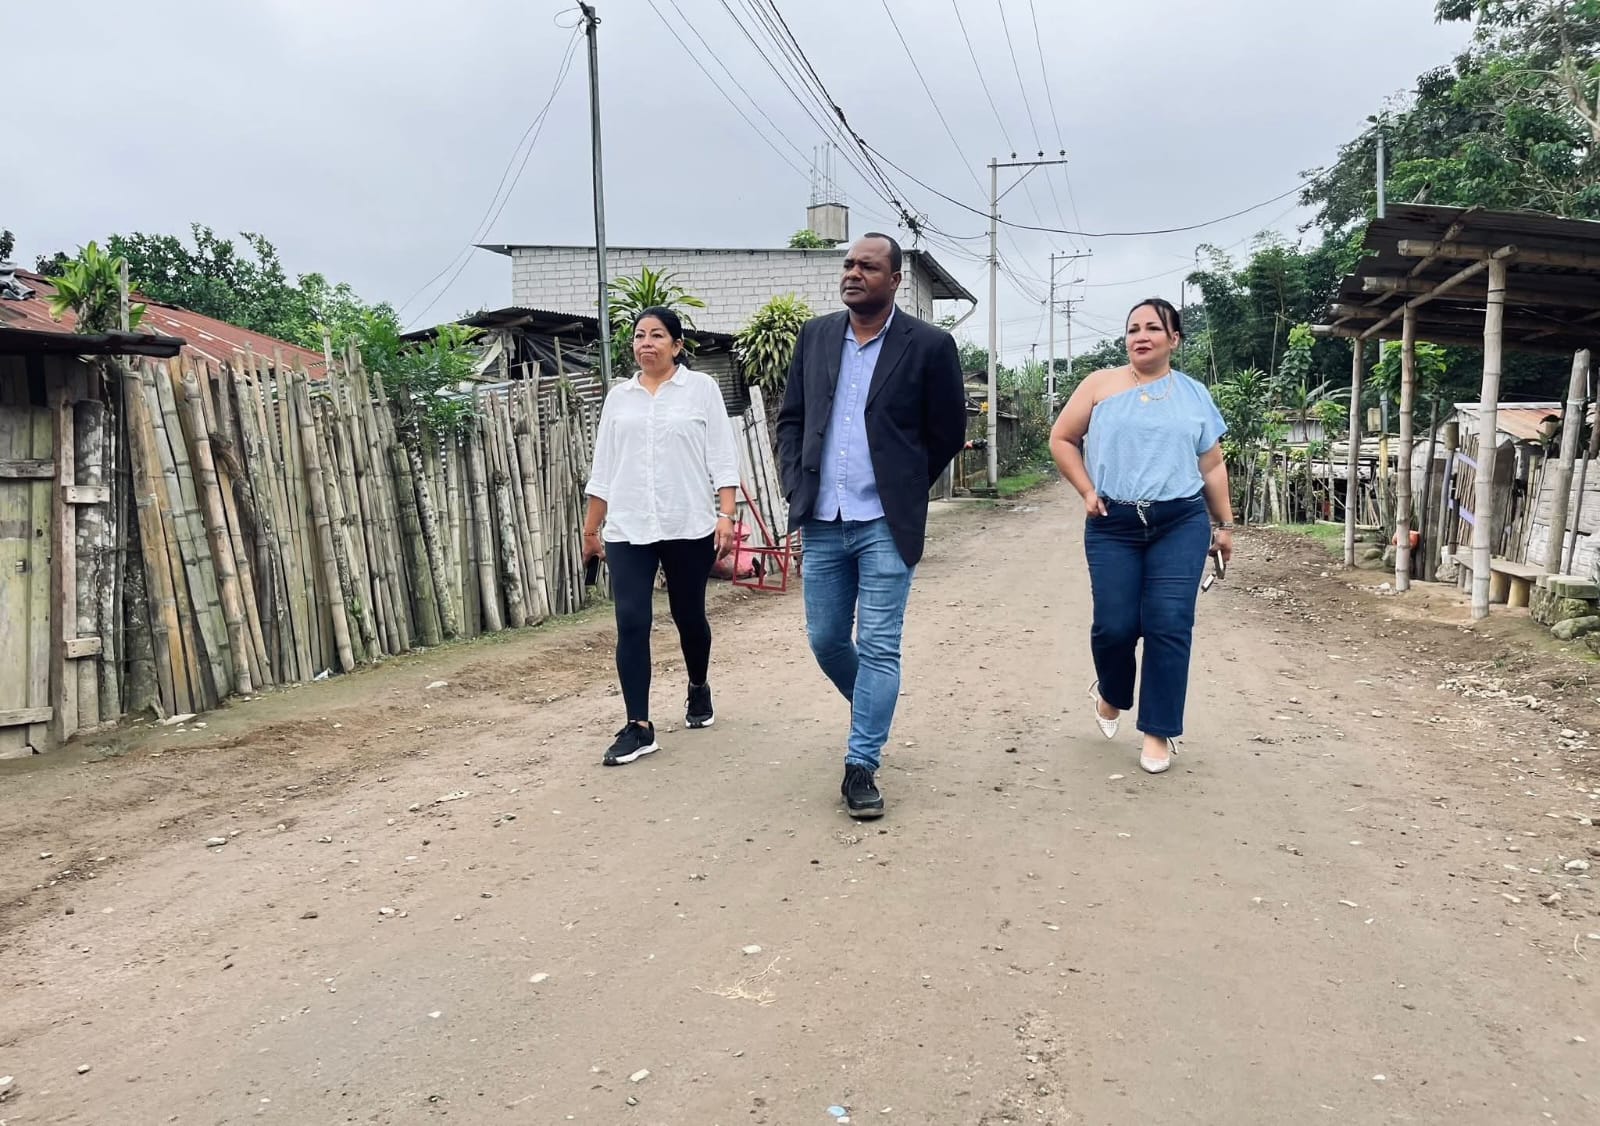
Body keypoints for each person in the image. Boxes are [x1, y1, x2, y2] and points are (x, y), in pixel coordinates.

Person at [776, 233, 967, 818]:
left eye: (868, 266)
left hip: (885, 521)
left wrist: (906, 486)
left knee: (880, 646)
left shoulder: (929, 345)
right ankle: (872, 709)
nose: (853, 273)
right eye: (849, 264)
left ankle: (861, 764)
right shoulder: (815, 336)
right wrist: (795, 483)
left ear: (895, 280)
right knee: (826, 639)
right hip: (823, 518)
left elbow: (948, 431)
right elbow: (791, 418)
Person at [1049, 297, 1235, 775]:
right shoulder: (1099, 385)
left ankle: (1158, 729)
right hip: (1113, 523)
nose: (1141, 336)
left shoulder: (1193, 394)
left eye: (1153, 328)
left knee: (1169, 623)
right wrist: (1086, 489)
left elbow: (1212, 464)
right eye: (1133, 328)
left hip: (1180, 522)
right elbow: (1062, 438)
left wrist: (1224, 525)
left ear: (1174, 339)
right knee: (1115, 626)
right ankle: (1111, 692)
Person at [582, 306, 741, 766]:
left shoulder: (701, 390)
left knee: (688, 615)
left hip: (686, 523)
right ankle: (639, 726)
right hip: (629, 527)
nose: (645, 343)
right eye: (639, 336)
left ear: (677, 345)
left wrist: (726, 515)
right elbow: (604, 468)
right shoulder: (619, 398)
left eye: (656, 335)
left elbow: (722, 457)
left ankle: (698, 685)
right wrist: (591, 528)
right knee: (632, 620)